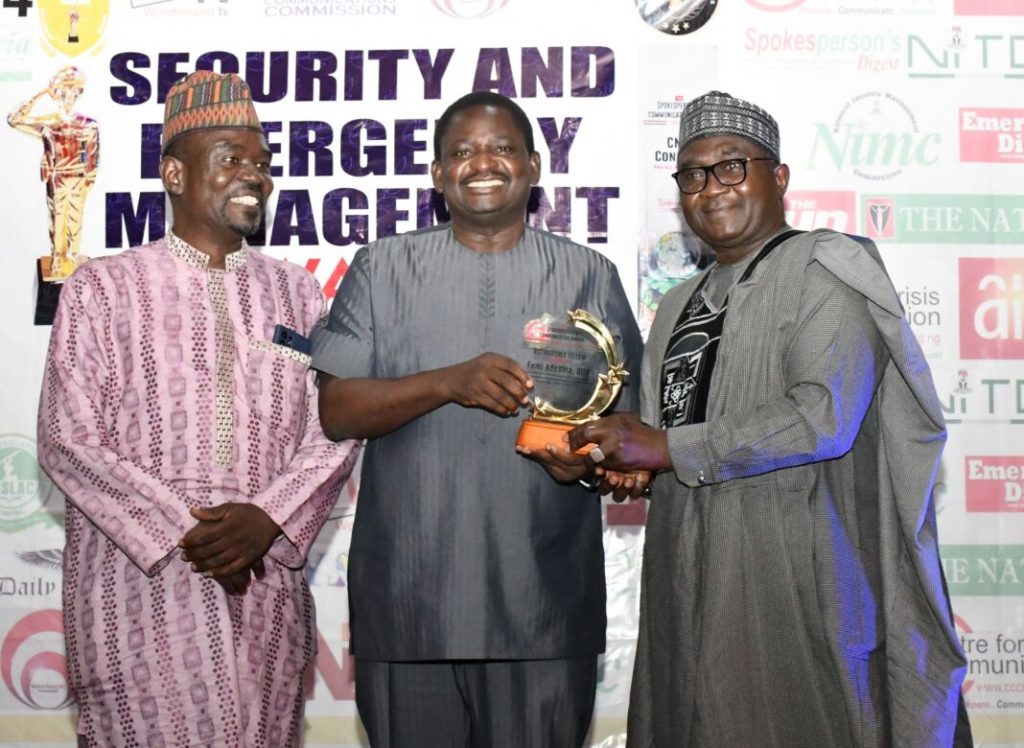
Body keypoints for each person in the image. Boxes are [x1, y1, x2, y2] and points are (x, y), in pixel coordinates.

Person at [567, 91, 972, 747]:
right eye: (692, 173)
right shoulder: (674, 306)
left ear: (777, 177)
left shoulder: (824, 269)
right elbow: (664, 435)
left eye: (731, 167)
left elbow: (822, 416)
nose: (710, 187)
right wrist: (622, 466)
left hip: (796, 568)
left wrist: (666, 449)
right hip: (685, 566)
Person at [37, 70, 359, 747]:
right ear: (176, 176)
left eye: (262, 163)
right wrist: (190, 531)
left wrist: (265, 519)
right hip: (138, 585)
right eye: (231, 159)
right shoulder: (103, 287)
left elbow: (334, 428)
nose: (255, 176)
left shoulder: (297, 296)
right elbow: (70, 439)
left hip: (262, 584)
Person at [312, 91, 644, 747]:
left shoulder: (589, 275)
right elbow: (337, 409)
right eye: (461, 151)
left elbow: (626, 435)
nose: (481, 162)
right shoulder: (381, 268)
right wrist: (448, 383)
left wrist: (588, 464)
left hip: (542, 608)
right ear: (438, 174)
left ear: (533, 166)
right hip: (411, 606)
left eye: (500, 147)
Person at [7, 65, 99, 280]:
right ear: (56, 94)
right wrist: (39, 95)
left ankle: (74, 257)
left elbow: (93, 154)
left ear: (79, 94)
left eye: (73, 91)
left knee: (76, 219)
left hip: (78, 178)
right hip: (57, 177)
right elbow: (14, 120)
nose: (68, 96)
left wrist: (89, 179)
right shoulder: (48, 123)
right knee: (58, 219)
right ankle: (58, 257)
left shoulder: (88, 124)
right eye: (63, 91)